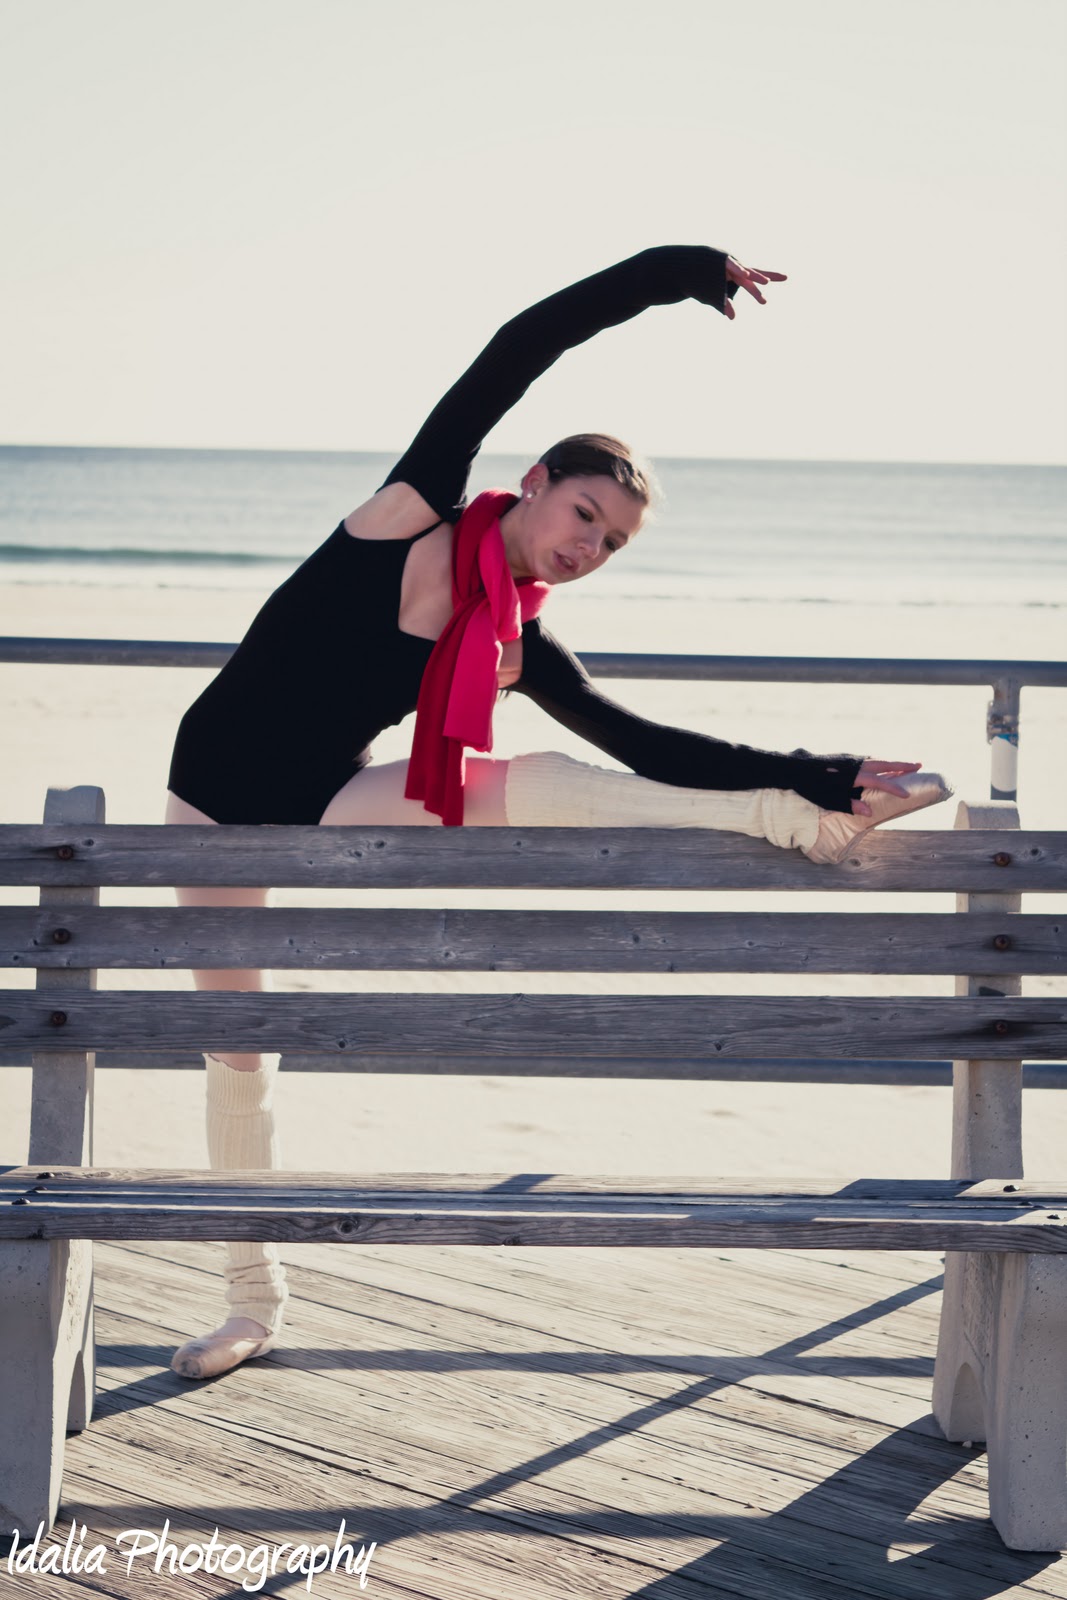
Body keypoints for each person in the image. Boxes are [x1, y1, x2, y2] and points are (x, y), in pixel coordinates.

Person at [164, 244, 950, 1379]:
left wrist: (821, 774)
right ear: (534, 481)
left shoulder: (517, 640)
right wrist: (679, 270)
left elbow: (648, 746)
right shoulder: (408, 512)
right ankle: (253, 1300)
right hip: (209, 796)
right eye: (583, 514)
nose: (586, 548)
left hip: (330, 795)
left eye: (610, 543)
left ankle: (801, 824)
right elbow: (521, 345)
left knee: (541, 772)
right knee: (239, 1047)